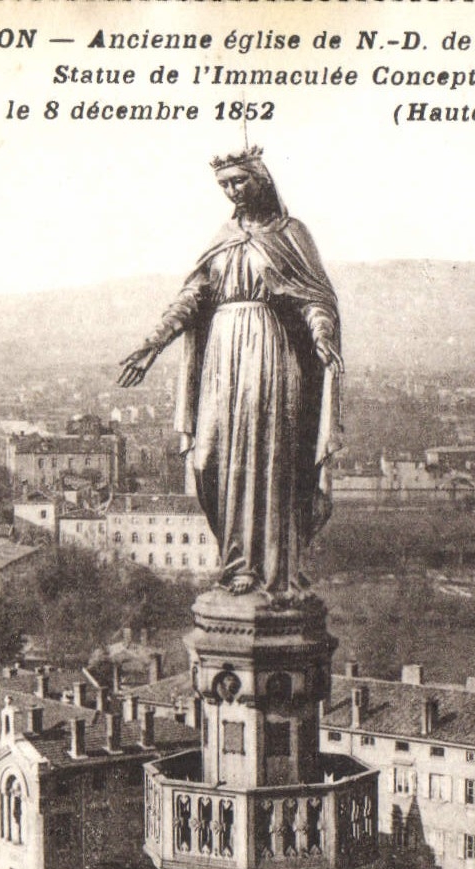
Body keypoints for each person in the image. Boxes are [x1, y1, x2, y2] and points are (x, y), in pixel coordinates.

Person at [119, 149, 342, 595]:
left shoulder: (291, 234)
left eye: (239, 181)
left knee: (269, 459)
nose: (232, 191)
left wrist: (321, 334)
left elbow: (315, 298)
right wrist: (152, 344)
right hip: (221, 359)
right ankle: (235, 560)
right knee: (209, 461)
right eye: (224, 185)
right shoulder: (223, 237)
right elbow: (191, 298)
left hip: (271, 355)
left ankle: (268, 568)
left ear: (261, 180)